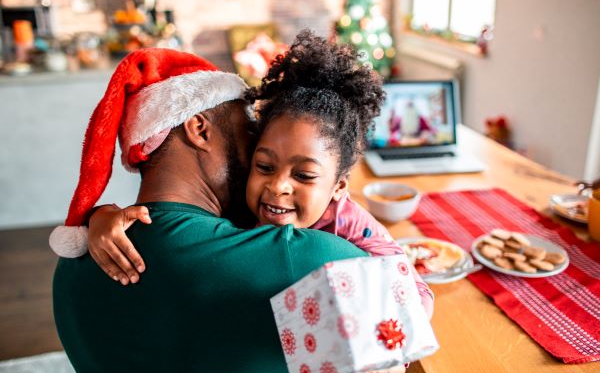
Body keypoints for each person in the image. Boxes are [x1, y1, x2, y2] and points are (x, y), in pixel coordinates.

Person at [50, 46, 406, 373]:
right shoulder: (312, 260)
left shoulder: (73, 264)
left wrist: (98, 215)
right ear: (199, 129)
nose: (257, 150)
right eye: (250, 128)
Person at [85, 31, 434, 318]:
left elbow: (412, 291)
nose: (278, 185)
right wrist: (99, 216)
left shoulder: (346, 226)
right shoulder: (250, 217)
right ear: (198, 130)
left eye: (305, 175)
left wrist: (391, 345)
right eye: (263, 164)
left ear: (338, 186)